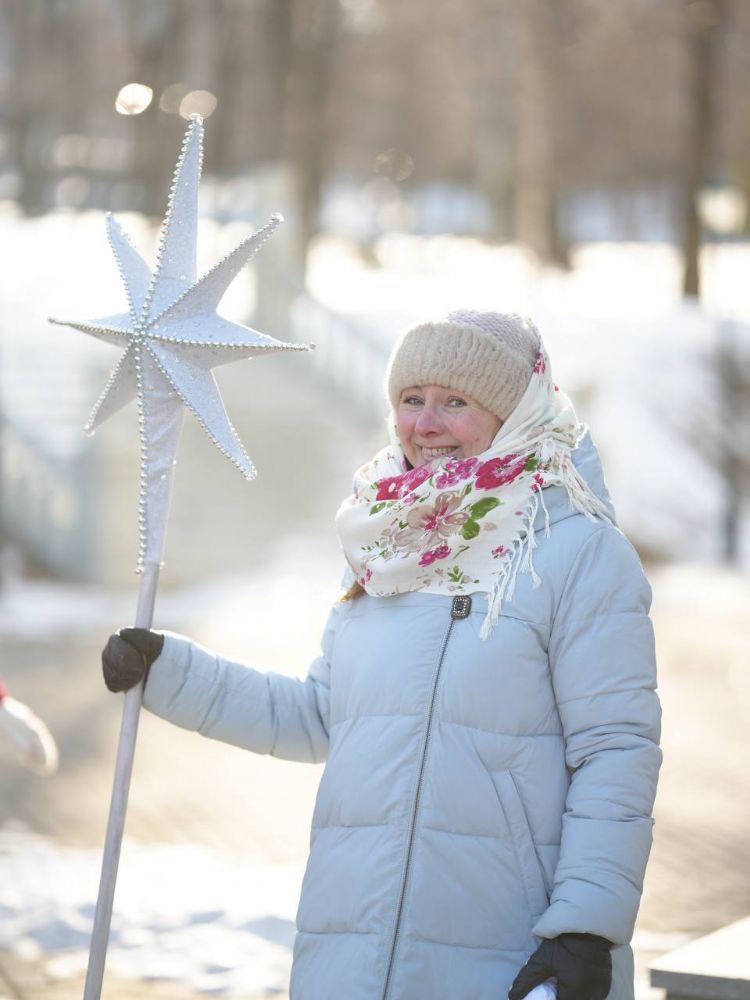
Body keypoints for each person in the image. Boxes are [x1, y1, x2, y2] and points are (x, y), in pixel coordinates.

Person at [102, 311, 661, 1000]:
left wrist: (587, 927)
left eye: (455, 401)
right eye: (411, 399)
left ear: (514, 411)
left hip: (511, 959)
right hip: (352, 954)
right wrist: (168, 671)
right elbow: (320, 716)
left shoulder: (578, 550)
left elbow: (615, 750)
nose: (426, 424)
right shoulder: (388, 544)